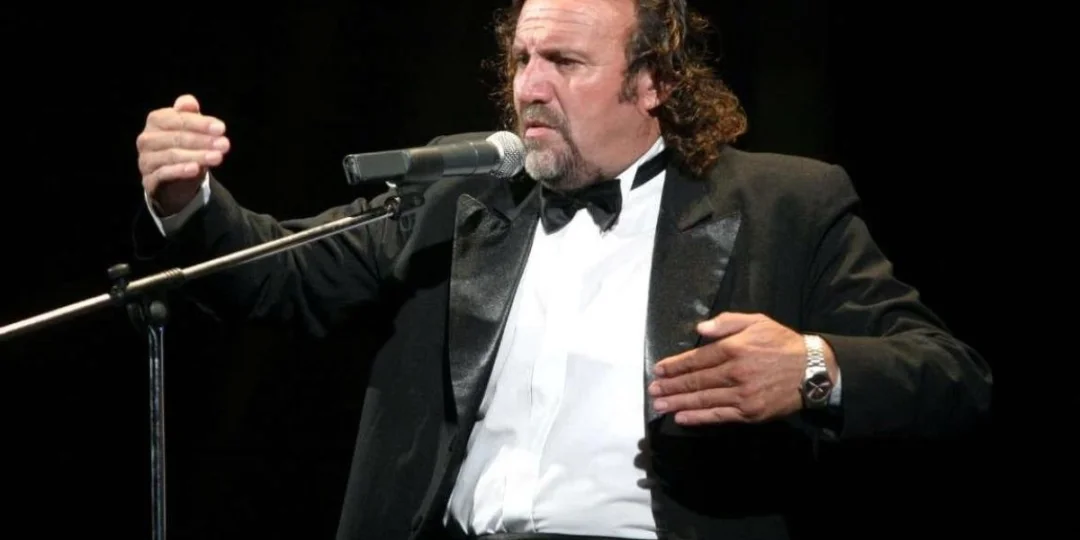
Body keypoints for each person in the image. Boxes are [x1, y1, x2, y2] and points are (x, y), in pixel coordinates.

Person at [131, 0, 993, 539]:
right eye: (523, 59)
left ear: (653, 82)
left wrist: (810, 365)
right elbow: (280, 273)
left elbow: (952, 377)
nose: (530, 88)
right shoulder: (461, 197)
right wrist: (188, 201)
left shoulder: (785, 204)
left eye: (566, 63)